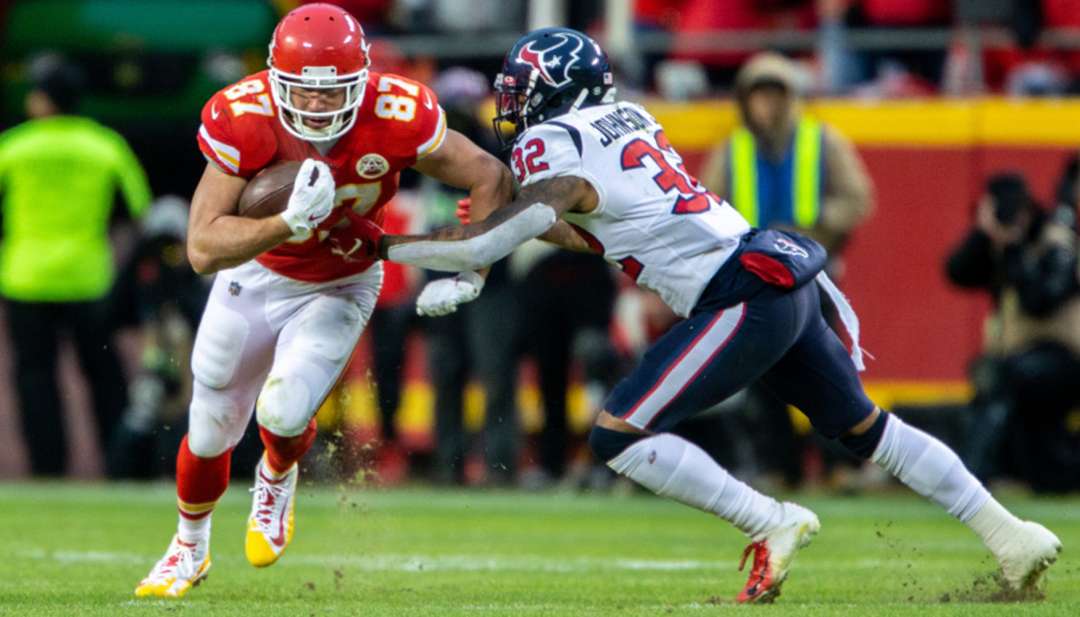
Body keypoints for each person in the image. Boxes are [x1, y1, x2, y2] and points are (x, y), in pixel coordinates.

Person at [373, 27, 1062, 603]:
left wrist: (383, 243)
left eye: (523, 92)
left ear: (559, 92)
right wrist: (514, 227)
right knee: (868, 429)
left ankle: (771, 519)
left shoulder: (554, 145)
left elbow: (494, 240)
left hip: (741, 294)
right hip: (774, 280)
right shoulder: (627, 119)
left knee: (618, 435)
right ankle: (1011, 534)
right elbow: (598, 228)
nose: (513, 105)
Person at [134, 3, 512, 598]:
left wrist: (476, 266)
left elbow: (489, 174)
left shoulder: (398, 111)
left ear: (361, 80)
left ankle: (277, 474)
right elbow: (204, 247)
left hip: (341, 280)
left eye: (331, 91)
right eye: (300, 93)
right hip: (258, 275)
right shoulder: (245, 115)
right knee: (209, 427)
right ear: (273, 81)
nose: (315, 105)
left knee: (282, 412)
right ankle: (188, 548)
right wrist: (284, 223)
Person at [0, 56, 151, 477]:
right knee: (105, 376)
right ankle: (119, 463)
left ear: (41, 100)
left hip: (25, 277)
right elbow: (137, 211)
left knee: (35, 379)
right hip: (90, 277)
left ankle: (47, 467)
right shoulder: (105, 146)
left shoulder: (13, 146)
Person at [945, 171, 1080, 492]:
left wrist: (1015, 246)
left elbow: (1039, 301)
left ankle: (971, 476)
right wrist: (984, 233)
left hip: (1062, 357)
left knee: (1005, 377)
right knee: (1045, 465)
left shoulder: (1055, 240)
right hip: (1018, 360)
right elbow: (957, 273)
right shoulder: (999, 243)